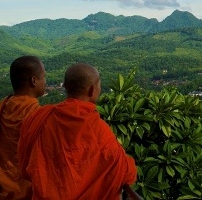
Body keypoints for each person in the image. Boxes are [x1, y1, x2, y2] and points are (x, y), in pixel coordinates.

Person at [18, 63, 137, 200]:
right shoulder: (97, 128)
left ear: (65, 86)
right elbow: (125, 172)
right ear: (92, 90)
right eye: (99, 85)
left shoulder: (39, 118)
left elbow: (25, 167)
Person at [0, 55, 47, 200]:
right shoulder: (38, 115)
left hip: (1, 190)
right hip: (30, 192)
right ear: (34, 81)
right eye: (44, 77)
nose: (45, 82)